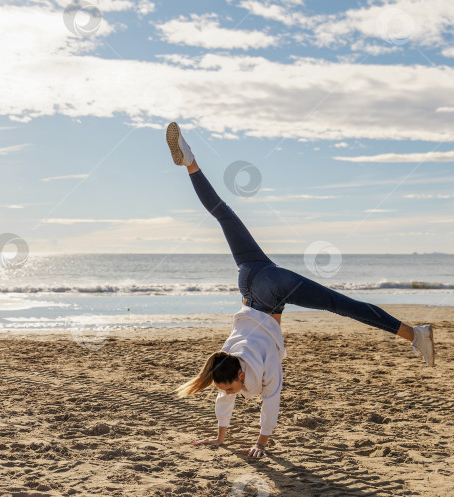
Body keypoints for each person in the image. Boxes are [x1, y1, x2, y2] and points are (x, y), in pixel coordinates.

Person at [167, 121, 435, 459]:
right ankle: (190, 161)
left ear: (238, 374)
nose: (228, 392)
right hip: (249, 277)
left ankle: (416, 334)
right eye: (227, 388)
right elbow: (224, 395)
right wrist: (220, 437)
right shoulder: (226, 358)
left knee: (341, 304)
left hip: (268, 290)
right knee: (224, 215)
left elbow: (271, 404)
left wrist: (260, 445)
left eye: (230, 386)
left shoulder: (263, 366)